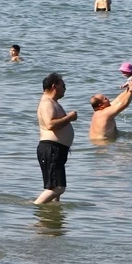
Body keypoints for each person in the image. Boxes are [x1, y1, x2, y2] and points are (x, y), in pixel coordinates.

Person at [36, 72, 76, 205]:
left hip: (57, 149)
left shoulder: (52, 102)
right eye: (63, 86)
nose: (65, 89)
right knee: (58, 188)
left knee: (54, 188)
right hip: (52, 148)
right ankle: (34, 207)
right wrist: (70, 117)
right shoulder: (47, 102)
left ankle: (52, 218)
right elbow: (50, 124)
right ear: (54, 86)